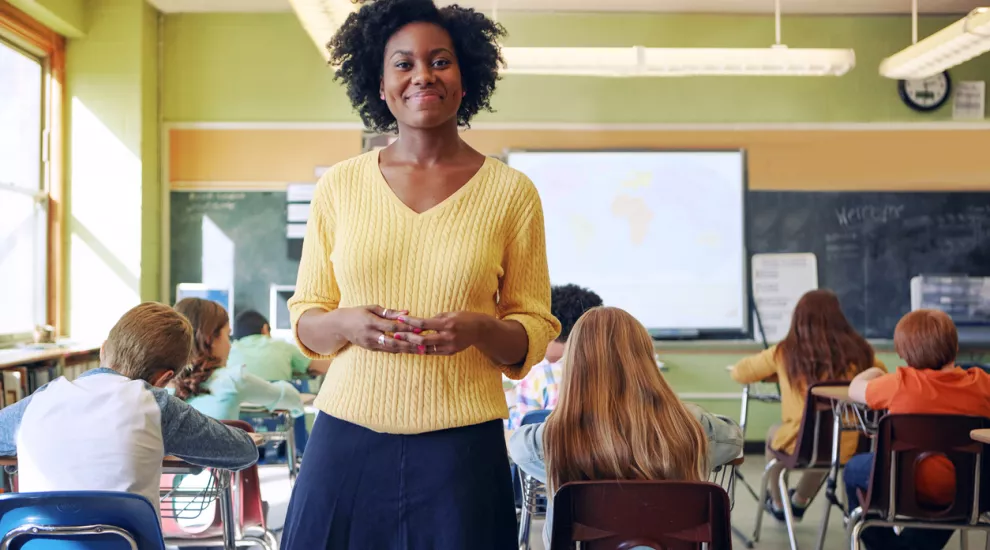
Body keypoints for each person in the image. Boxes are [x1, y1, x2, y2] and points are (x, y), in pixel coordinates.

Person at [281, 0, 560, 547]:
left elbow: (535, 326)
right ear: (380, 86)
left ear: (465, 79)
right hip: (347, 433)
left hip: (461, 444)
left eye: (440, 61)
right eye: (403, 64)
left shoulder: (511, 193)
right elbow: (306, 321)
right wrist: (344, 324)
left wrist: (480, 329)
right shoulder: (339, 186)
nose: (422, 75)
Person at [509, 307, 743, 549]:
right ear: (646, 359)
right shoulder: (692, 426)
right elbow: (734, 440)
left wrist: (561, 418)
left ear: (574, 364)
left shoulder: (553, 438)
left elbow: (517, 447)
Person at [0, 302, 258, 515]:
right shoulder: (158, 405)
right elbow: (243, 452)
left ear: (103, 350)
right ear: (164, 379)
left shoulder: (40, 400)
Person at [730, 289, 885, 521]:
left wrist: (777, 371)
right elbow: (881, 377)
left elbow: (741, 373)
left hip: (802, 443)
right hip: (852, 444)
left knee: (776, 438)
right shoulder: (861, 353)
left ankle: (779, 503)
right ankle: (800, 500)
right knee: (828, 441)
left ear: (798, 318)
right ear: (839, 317)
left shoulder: (785, 352)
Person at [847, 309, 990, 550]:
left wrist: (877, 372)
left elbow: (854, 389)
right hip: (969, 493)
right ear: (955, 348)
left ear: (903, 353)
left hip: (903, 487)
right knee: (955, 482)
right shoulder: (982, 383)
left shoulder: (898, 383)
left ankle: (886, 546)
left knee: (853, 470)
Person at [172, 298, 305, 421]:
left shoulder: (160, 387)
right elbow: (291, 399)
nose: (230, 344)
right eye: (228, 335)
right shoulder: (233, 381)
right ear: (210, 339)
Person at [506, 284, 602, 429]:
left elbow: (518, 433)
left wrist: (512, 404)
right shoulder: (614, 375)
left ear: (551, 329)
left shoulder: (540, 377)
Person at [229, 310, 330, 383]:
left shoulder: (230, 351)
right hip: (277, 408)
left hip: (240, 409)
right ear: (265, 329)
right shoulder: (282, 346)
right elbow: (324, 367)